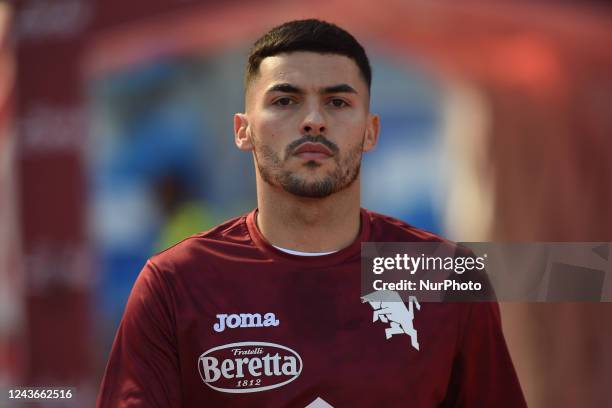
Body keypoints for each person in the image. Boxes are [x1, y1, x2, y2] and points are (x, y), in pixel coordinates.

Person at [97, 19, 526, 407]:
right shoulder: (173, 283)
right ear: (242, 130)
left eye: (338, 103)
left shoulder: (445, 274)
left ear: (371, 130)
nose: (313, 120)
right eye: (285, 101)